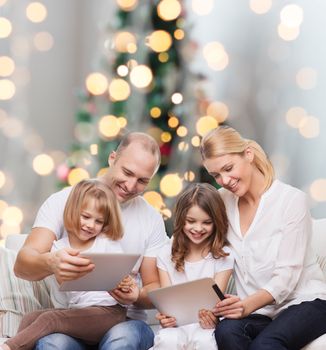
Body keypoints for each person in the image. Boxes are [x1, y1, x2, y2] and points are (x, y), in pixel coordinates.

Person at [14, 132, 169, 350]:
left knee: (123, 339)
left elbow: (154, 287)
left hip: (124, 322)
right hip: (72, 322)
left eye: (142, 180)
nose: (131, 185)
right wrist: (51, 262)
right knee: (52, 343)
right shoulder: (65, 201)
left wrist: (136, 295)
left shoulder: (151, 218)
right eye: (127, 172)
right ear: (112, 158)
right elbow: (22, 265)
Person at [200, 125, 326, 350]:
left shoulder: (291, 200)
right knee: (226, 331)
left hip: (305, 303)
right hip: (260, 312)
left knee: (266, 344)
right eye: (216, 175)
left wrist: (246, 306)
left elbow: (286, 277)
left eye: (228, 168)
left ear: (248, 154)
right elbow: (199, 247)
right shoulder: (222, 202)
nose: (225, 180)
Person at [1, 179, 138, 350]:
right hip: (79, 313)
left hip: (110, 312)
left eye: (98, 221)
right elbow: (63, 295)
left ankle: (8, 347)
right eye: (86, 217)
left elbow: (121, 277)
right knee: (30, 318)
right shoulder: (59, 248)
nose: (90, 225)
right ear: (73, 211)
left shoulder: (106, 243)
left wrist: (125, 285)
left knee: (50, 319)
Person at [152, 183, 234, 350]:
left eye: (207, 222)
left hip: (206, 326)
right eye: (191, 221)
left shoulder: (224, 255)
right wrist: (165, 317)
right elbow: (167, 303)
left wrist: (212, 318)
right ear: (181, 219)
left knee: (205, 342)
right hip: (175, 326)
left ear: (216, 222)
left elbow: (215, 305)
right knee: (168, 340)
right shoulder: (165, 252)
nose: (198, 228)